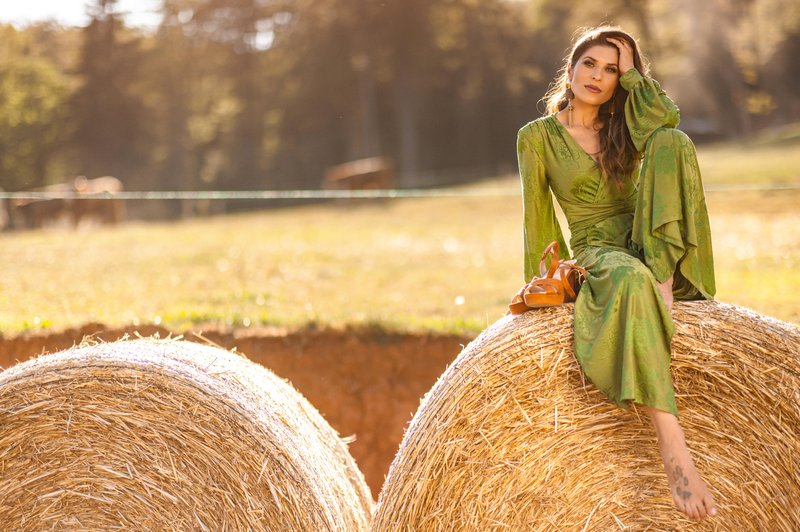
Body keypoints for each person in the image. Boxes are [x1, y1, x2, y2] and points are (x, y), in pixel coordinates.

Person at [516, 26, 718, 521]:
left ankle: (664, 279)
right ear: (571, 67)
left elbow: (666, 117)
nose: (598, 76)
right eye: (591, 63)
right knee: (627, 275)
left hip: (651, 238)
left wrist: (633, 79)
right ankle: (674, 448)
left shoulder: (627, 125)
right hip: (599, 252)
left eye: (613, 69)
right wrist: (545, 282)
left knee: (671, 140)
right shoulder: (536, 138)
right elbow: (536, 216)